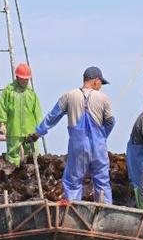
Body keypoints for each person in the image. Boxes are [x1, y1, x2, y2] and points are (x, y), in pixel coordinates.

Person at [28, 66, 115, 203]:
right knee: (102, 181)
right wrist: (102, 138)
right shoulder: (103, 98)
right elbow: (110, 121)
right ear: (95, 81)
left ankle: (74, 212)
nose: (101, 87)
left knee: (73, 181)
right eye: (101, 84)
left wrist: (38, 133)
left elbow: (53, 117)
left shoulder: (69, 96)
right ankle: (104, 212)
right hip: (99, 147)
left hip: (78, 146)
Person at [0, 63, 43, 166]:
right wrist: (2, 124)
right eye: (23, 79)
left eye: (27, 79)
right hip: (14, 130)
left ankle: (32, 177)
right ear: (17, 77)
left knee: (33, 155)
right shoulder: (8, 91)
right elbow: (2, 109)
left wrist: (40, 130)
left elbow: (37, 112)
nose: (25, 81)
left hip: (30, 131)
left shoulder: (31, 93)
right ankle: (13, 176)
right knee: (13, 156)